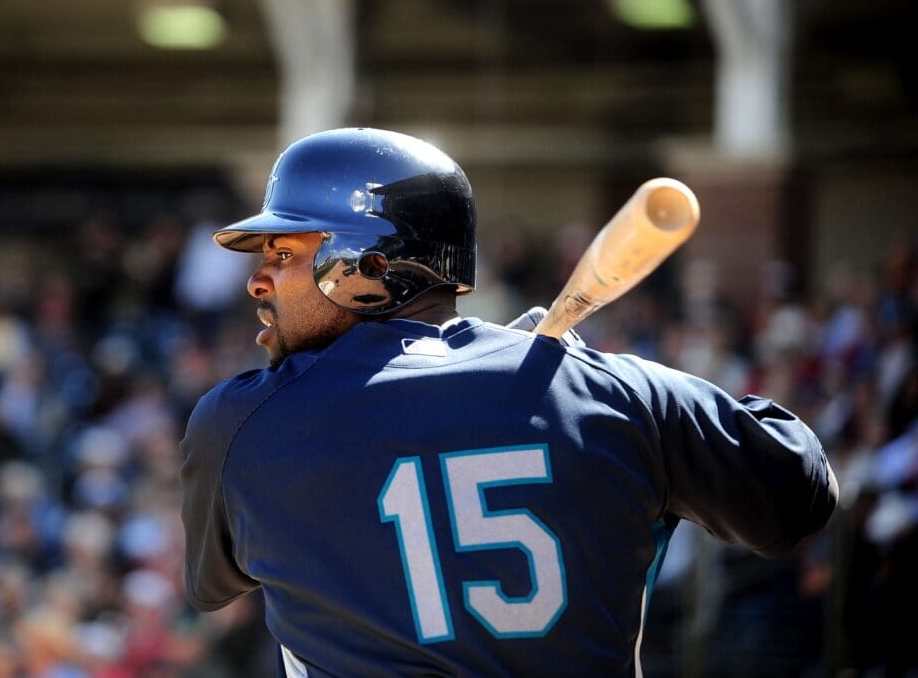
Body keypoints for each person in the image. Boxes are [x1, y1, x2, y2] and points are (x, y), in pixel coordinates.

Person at [179, 128, 838, 677]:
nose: (257, 279)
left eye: (283, 252)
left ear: (367, 268)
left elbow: (215, 584)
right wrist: (595, 381)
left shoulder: (238, 424)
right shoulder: (603, 393)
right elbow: (798, 491)